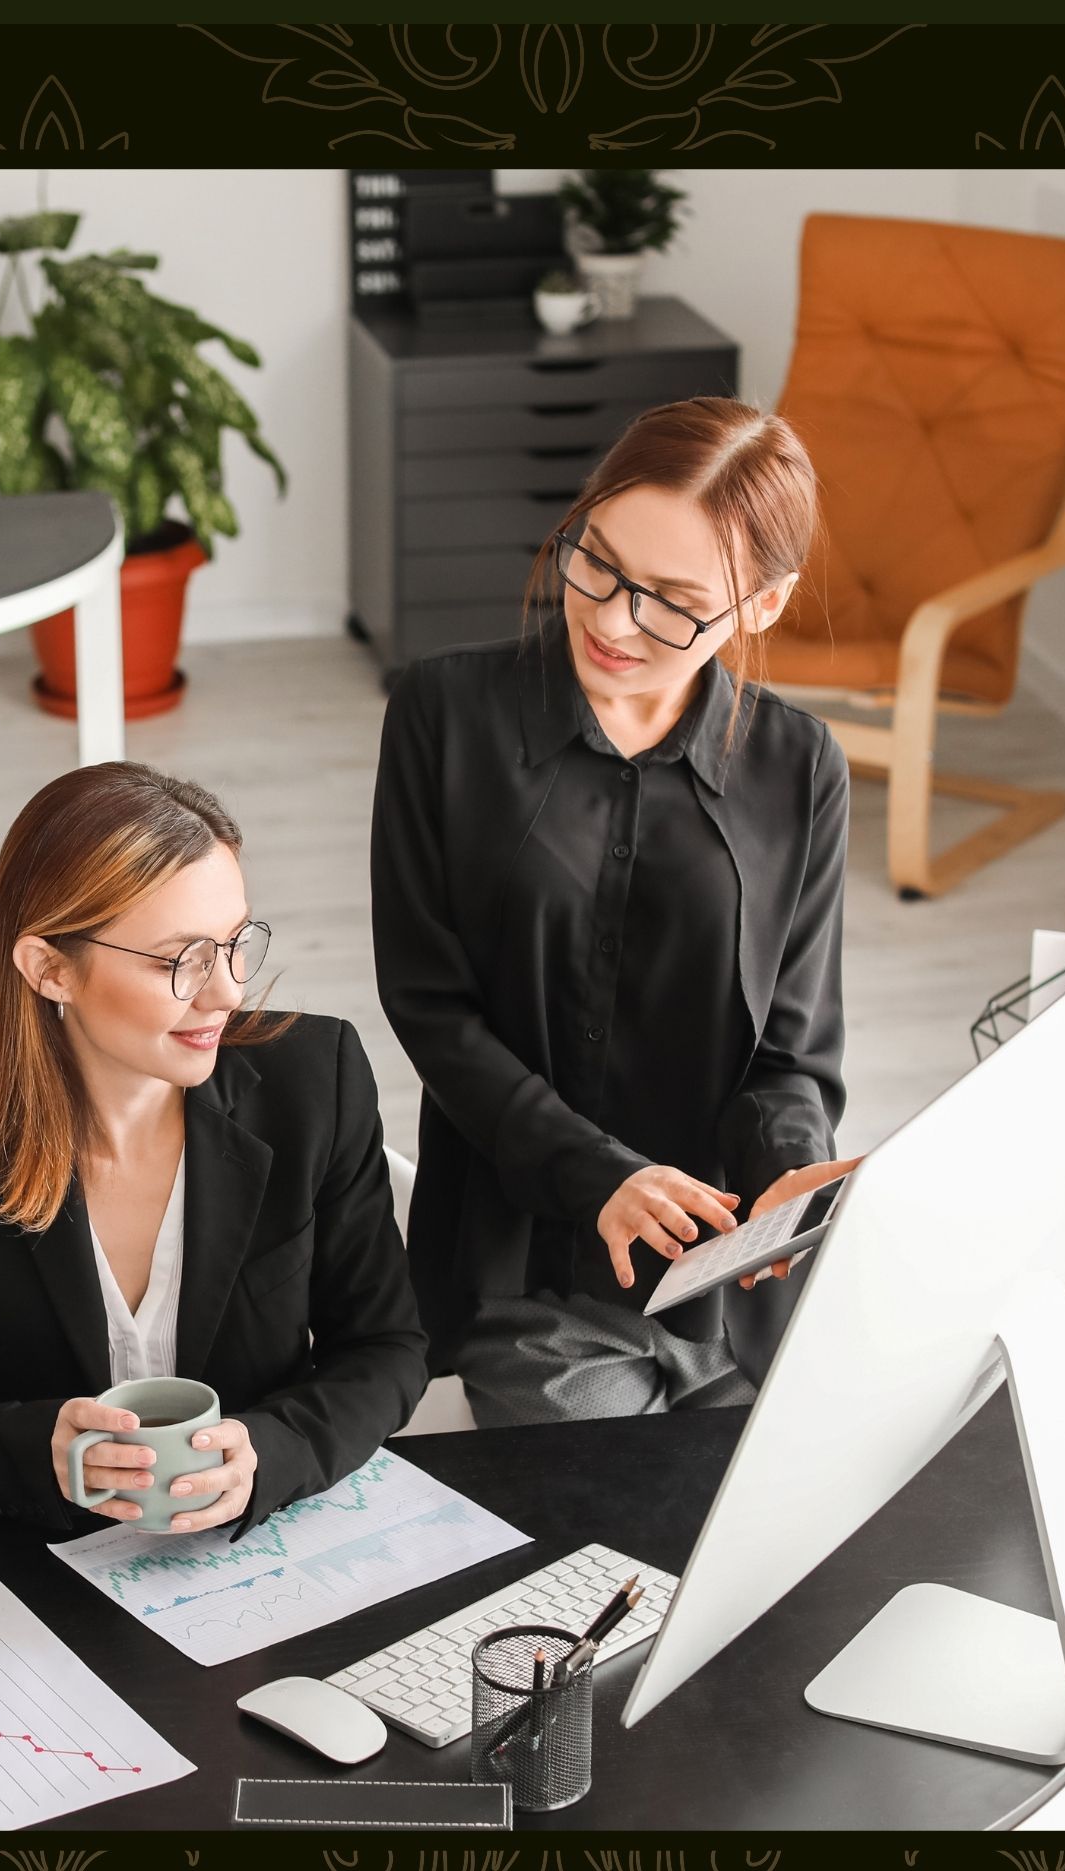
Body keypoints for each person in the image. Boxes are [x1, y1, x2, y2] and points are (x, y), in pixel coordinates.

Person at [371, 396, 856, 1426]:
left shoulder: (799, 767)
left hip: (733, 1287)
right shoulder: (439, 717)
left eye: (673, 602)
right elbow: (431, 1009)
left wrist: (785, 1186)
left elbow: (790, 1053)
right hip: (529, 1279)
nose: (611, 618)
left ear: (759, 608)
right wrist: (599, 1175)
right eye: (595, 561)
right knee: (605, 1531)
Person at [0, 762, 427, 1536]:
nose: (225, 992)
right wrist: (35, 1454)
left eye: (233, 944)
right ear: (50, 969)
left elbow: (386, 1348)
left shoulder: (315, 1080)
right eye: (181, 960)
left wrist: (272, 1453)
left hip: (260, 1548)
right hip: (43, 1562)